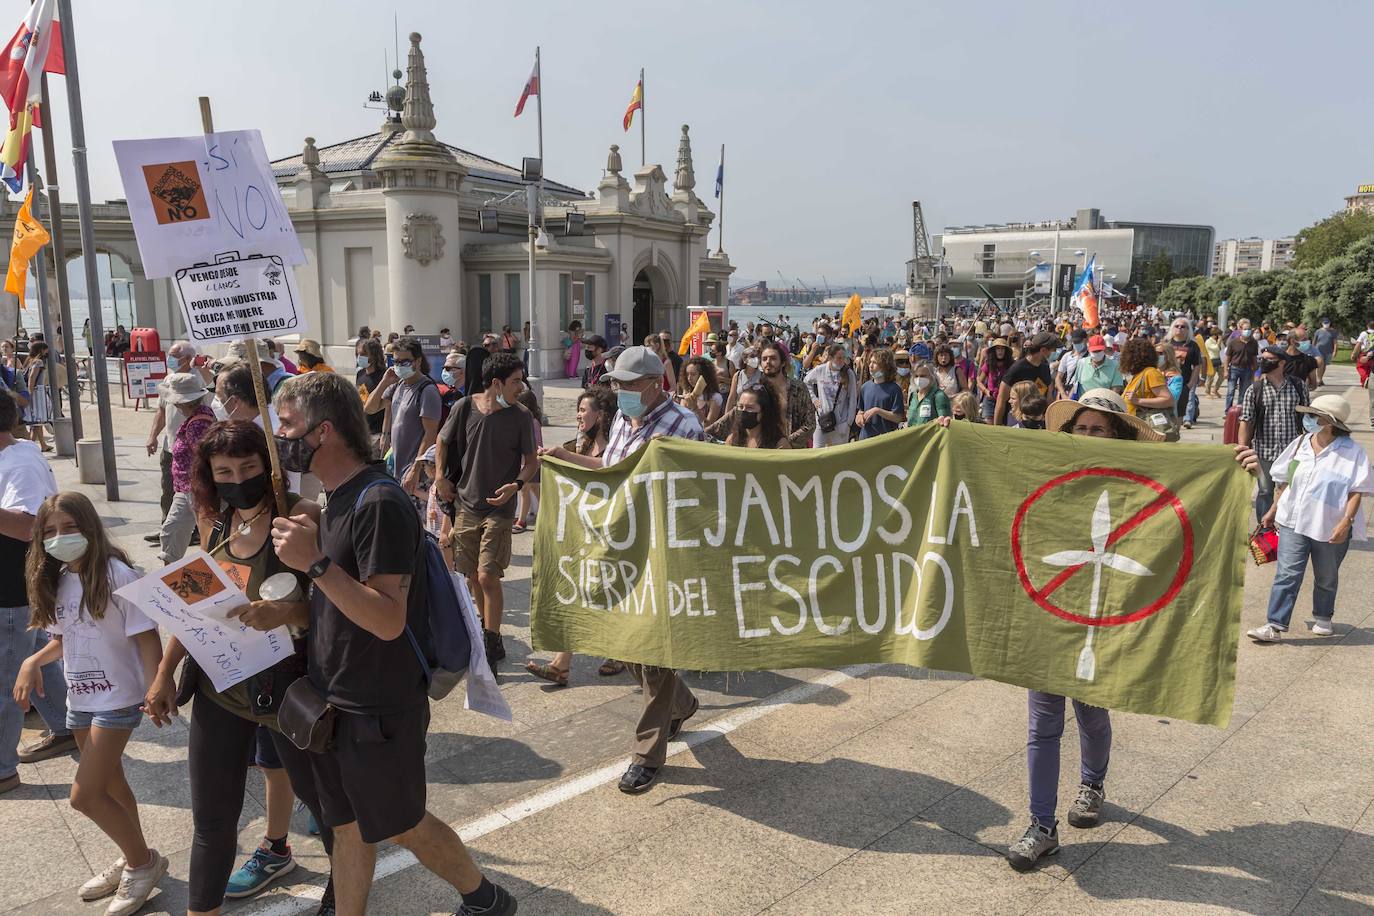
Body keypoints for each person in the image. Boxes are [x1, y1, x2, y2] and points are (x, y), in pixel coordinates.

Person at [268, 372, 517, 916]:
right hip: (336, 694)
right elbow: (339, 599)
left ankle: (487, 899)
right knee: (348, 825)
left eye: (287, 425)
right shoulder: (334, 497)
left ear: (323, 431)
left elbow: (385, 618)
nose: (279, 435)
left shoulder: (378, 502)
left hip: (378, 704)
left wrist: (313, 563)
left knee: (402, 823)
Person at [142, 421, 334, 915]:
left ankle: (346, 887)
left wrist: (289, 612)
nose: (238, 479)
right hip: (219, 688)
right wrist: (164, 673)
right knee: (211, 819)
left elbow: (339, 608)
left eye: (249, 467)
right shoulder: (217, 523)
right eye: (224, 471)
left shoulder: (302, 517)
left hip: (289, 695)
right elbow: (196, 608)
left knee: (328, 806)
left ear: (269, 466)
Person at [1004, 389, 1164, 872]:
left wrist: (1238, 467)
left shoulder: (1139, 484)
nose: (1089, 436)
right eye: (1082, 428)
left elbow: (1188, 508)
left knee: (1092, 712)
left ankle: (1093, 783)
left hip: (1103, 616)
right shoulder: (1050, 473)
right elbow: (997, 473)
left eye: (1100, 429)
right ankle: (1041, 825)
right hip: (1051, 613)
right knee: (1043, 721)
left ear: (1117, 436)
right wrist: (955, 437)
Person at [537, 346, 703, 794]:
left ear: (654, 383)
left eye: (627, 384)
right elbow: (608, 470)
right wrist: (566, 458)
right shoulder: (624, 423)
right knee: (623, 641)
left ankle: (647, 753)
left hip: (662, 553)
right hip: (620, 549)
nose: (620, 391)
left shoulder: (684, 426)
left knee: (652, 649)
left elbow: (697, 492)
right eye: (616, 383)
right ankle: (681, 704)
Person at [15, 491, 167, 913]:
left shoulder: (119, 574)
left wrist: (156, 686)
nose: (59, 537)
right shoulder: (60, 578)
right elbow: (64, 639)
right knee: (112, 784)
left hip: (118, 698)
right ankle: (131, 850)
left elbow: (145, 634)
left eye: (69, 528)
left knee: (83, 795)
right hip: (79, 697)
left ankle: (143, 863)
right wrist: (32, 659)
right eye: (49, 532)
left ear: (90, 528)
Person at [432, 353, 538, 672]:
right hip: (466, 504)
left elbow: (531, 461)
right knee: (471, 576)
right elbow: (441, 440)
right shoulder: (464, 407)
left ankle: (491, 644)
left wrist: (516, 485)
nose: (522, 387)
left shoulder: (521, 416)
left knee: (487, 575)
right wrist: (439, 477)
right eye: (516, 381)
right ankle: (485, 631)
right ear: (496, 383)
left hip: (500, 508)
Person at [1246, 396, 1371, 644]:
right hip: (1293, 520)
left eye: (1314, 415)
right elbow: (1285, 479)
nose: (1308, 419)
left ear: (1329, 422)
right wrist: (1273, 509)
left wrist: (1346, 521)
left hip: (1329, 525)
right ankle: (1274, 624)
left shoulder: (1352, 452)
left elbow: (1358, 490)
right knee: (1287, 573)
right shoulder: (1301, 443)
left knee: (1326, 575)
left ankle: (1323, 616)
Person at [524, 386, 624, 686]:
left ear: (602, 414)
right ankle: (561, 663)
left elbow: (610, 468)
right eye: (578, 409)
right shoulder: (582, 441)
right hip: (586, 527)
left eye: (584, 410)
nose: (579, 415)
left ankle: (619, 651)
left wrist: (565, 456)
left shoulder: (618, 443)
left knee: (611, 589)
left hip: (615, 527)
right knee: (580, 587)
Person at [0, 390, 66, 791]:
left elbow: (29, 526)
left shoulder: (20, 462)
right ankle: (65, 724)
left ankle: (2, 770)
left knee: (6, 679)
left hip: (11, 590)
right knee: (37, 658)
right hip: (16, 588)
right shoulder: (15, 455)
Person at [1240, 345, 1310, 524]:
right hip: (1264, 451)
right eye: (1262, 358)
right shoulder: (1254, 389)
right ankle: (1264, 530)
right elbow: (1246, 421)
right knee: (1265, 492)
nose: (1263, 362)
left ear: (1282, 362)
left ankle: (1288, 527)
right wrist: (1243, 448)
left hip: (1293, 451)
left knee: (1291, 490)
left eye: (1268, 359)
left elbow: (1308, 418)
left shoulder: (1298, 386)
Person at [366, 337, 440, 505]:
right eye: (396, 361)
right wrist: (384, 382)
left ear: (418, 361)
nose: (399, 366)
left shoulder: (426, 390)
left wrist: (415, 470)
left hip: (416, 476)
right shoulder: (397, 385)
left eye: (405, 361)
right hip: (396, 470)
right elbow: (369, 408)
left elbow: (430, 434)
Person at [158, 373, 217, 564]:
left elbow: (206, 457)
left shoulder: (197, 423)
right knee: (172, 529)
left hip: (196, 488)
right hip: (186, 488)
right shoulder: (199, 416)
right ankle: (169, 571)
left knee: (206, 534)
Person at [994, 331, 1056, 427]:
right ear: (1043, 350)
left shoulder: (1045, 367)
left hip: (1038, 423)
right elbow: (1001, 400)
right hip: (1016, 424)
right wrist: (996, 429)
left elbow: (1049, 397)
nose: (1054, 352)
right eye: (1053, 349)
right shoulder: (1016, 369)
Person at [1118, 338, 1176, 439]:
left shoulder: (1150, 373)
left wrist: (1138, 400)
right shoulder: (1139, 374)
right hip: (1135, 430)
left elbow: (1168, 400)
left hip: (1145, 431)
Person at [805, 343, 858, 448]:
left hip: (841, 421)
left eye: (844, 358)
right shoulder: (820, 369)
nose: (842, 361)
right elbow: (806, 382)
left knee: (839, 452)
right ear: (830, 357)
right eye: (839, 358)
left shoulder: (849, 373)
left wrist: (848, 423)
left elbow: (853, 398)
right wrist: (814, 399)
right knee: (817, 450)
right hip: (822, 417)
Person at [856, 347, 905, 439]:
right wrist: (859, 417)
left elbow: (898, 417)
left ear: (885, 366)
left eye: (875, 363)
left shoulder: (894, 389)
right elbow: (861, 410)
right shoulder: (865, 387)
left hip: (885, 440)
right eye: (870, 362)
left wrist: (877, 411)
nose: (870, 365)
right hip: (865, 438)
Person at [723, 383, 791, 449]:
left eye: (750, 407)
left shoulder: (780, 444)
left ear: (764, 411)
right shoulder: (732, 440)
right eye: (740, 406)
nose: (743, 411)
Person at [1166, 317, 1204, 429]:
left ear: (1188, 330)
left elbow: (1197, 365)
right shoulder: (1166, 344)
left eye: (1183, 327)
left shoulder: (1193, 345)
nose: (1180, 328)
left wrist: (1191, 384)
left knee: (1179, 412)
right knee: (1165, 411)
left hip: (1183, 384)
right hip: (1165, 383)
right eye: (1177, 326)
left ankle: (1175, 433)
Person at [354, 337, 388, 459]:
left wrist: (385, 434)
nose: (359, 357)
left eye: (363, 354)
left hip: (377, 432)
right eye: (358, 354)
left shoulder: (384, 377)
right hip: (363, 430)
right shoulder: (360, 374)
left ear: (374, 355)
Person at [675, 355, 724, 428]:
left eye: (693, 374)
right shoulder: (687, 392)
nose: (689, 378)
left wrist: (695, 408)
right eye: (687, 374)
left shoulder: (715, 397)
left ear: (704, 376)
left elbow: (708, 426)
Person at [22, 341, 53, 451]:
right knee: (38, 420)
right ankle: (29, 447)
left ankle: (43, 445)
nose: (47, 352)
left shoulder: (29, 361)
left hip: (33, 392)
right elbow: (32, 378)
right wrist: (30, 395)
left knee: (37, 421)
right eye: (46, 349)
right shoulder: (38, 362)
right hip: (37, 393)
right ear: (42, 350)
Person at [1223, 323, 1260, 412]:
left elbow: (1254, 358)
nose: (1247, 331)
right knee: (1230, 391)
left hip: (1247, 369)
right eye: (1245, 329)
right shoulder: (1234, 342)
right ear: (1240, 330)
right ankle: (1228, 410)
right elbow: (1227, 357)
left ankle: (1240, 410)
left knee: (1243, 392)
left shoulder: (1253, 343)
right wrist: (1225, 370)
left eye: (1249, 329)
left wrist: (1255, 372)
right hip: (1234, 369)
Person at [978, 337, 1014, 421]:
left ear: (1006, 351)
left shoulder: (1012, 365)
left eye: (1002, 349)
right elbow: (979, 381)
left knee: (1003, 425)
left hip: (1006, 400)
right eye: (998, 348)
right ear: (994, 351)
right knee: (989, 425)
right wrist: (986, 391)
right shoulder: (988, 363)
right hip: (990, 399)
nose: (1000, 351)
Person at [1314, 320, 1338, 386]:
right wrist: (1312, 349)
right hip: (1318, 350)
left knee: (1324, 365)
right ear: (1322, 323)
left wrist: (1335, 351)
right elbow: (1314, 341)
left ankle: (1320, 379)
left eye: (1327, 323)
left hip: (1328, 351)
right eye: (1325, 323)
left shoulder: (1333, 332)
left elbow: (1335, 342)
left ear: (1330, 323)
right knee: (1319, 364)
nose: (1326, 324)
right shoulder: (1318, 331)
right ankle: (1318, 379)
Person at [1204, 327, 1223, 397]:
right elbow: (1216, 349)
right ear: (1215, 335)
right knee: (1210, 377)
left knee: (1222, 375)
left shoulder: (1217, 340)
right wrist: (1219, 341)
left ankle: (1215, 389)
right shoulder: (1208, 341)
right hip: (1212, 360)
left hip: (1218, 360)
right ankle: (1207, 392)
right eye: (1219, 335)